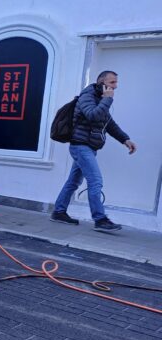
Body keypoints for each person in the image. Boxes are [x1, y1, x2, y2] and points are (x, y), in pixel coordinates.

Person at [50, 71, 136, 231]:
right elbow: (92, 116)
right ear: (101, 82)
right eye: (112, 82)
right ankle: (100, 219)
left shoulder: (101, 99)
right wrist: (107, 99)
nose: (115, 86)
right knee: (95, 181)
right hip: (80, 146)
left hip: (89, 147)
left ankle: (59, 212)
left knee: (73, 182)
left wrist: (125, 139)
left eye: (116, 83)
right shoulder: (87, 96)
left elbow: (109, 123)